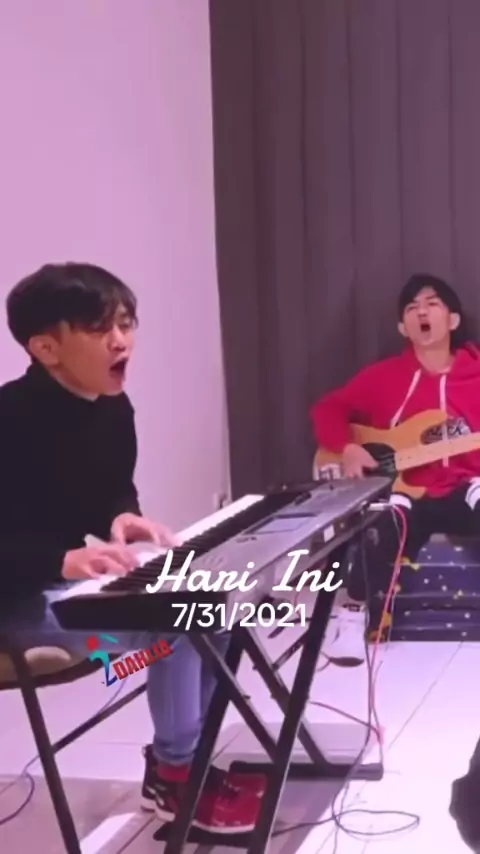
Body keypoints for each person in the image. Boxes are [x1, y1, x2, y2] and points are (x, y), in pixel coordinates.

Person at [0, 262, 265, 834]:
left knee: (216, 607)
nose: (121, 341)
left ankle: (184, 763)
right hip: (10, 602)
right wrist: (59, 560)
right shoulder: (9, 418)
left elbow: (109, 489)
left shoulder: (113, 407)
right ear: (45, 347)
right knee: (175, 622)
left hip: (60, 585)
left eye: (125, 323)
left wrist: (121, 515)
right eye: (100, 328)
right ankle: (177, 778)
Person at [310, 274, 480, 666]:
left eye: (432, 304)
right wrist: (347, 448)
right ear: (403, 327)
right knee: (383, 522)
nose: (422, 312)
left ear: (453, 320)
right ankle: (353, 618)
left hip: (464, 485)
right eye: (412, 307)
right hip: (404, 490)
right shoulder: (384, 377)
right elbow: (328, 408)